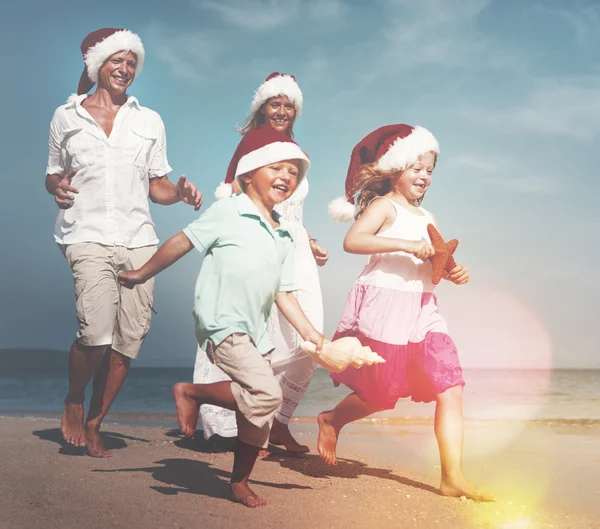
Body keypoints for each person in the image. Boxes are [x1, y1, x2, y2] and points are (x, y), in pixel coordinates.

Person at [119, 125, 325, 507]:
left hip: (256, 332)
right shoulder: (229, 210)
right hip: (221, 321)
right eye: (276, 168)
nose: (286, 177)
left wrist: (312, 333)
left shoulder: (283, 235)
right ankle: (191, 392)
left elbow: (284, 292)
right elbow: (182, 241)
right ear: (248, 175)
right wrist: (142, 273)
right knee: (266, 393)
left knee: (257, 415)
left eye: (293, 173)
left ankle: (239, 481)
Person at [45, 28, 203, 457]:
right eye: (117, 60)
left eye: (132, 62)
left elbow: (158, 187)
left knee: (126, 342)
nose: (126, 68)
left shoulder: (148, 120)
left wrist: (181, 193)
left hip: (139, 240)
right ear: (96, 65)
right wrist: (55, 188)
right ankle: (74, 399)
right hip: (86, 233)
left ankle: (96, 421)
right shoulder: (66, 116)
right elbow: (53, 174)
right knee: (95, 334)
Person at [319, 124, 494, 501]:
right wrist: (406, 246)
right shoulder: (384, 207)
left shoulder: (428, 216)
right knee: (381, 394)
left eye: (429, 170)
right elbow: (353, 241)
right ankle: (331, 420)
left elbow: (439, 258)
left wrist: (453, 270)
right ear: (394, 169)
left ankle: (453, 476)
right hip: (386, 305)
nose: (424, 176)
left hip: (423, 308)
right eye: (416, 167)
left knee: (451, 384)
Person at [195, 72, 327, 454]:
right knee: (261, 339)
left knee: (308, 337)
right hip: (264, 249)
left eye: (289, 105)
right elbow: (232, 194)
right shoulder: (253, 142)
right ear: (262, 107)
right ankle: (243, 424)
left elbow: (292, 209)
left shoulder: (294, 147)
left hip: (297, 250)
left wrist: (310, 239)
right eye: (275, 103)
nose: (282, 111)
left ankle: (279, 421)